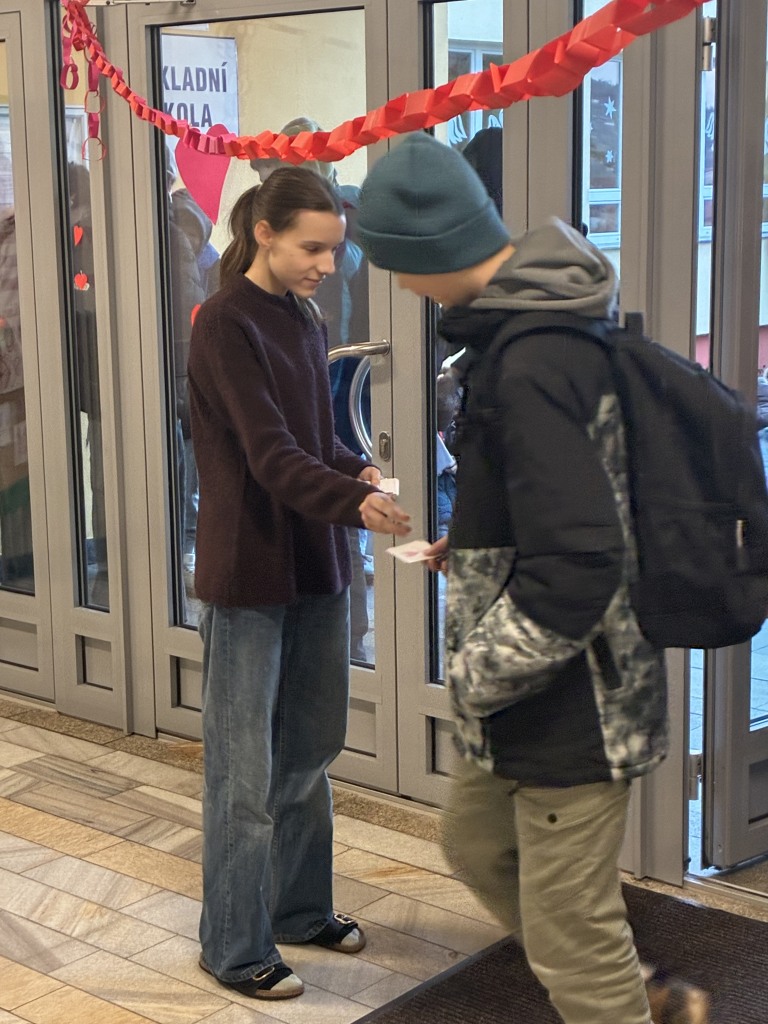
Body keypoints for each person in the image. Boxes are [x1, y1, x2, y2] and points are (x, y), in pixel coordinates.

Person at [356, 132, 709, 1024]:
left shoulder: (535, 359)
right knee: (478, 845)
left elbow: (581, 562)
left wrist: (475, 673)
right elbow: (566, 505)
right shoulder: (520, 339)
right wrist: (478, 545)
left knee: (567, 935)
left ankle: (626, 1000)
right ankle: (648, 998)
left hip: (570, 701)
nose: (399, 285)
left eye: (396, 264)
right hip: (534, 694)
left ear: (430, 248)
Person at [187, 165, 411, 1000]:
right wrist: (355, 502)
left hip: (316, 563)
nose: (328, 264)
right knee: (242, 776)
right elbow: (270, 456)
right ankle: (232, 945)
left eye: (335, 250)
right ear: (265, 234)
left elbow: (311, 439)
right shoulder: (224, 324)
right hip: (247, 573)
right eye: (313, 248)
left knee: (310, 752)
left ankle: (300, 909)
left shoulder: (303, 317)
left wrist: (358, 469)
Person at [252, 117, 373, 660]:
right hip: (315, 368)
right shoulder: (237, 314)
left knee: (334, 495)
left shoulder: (344, 222)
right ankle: (339, 630)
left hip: (340, 366)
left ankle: (349, 631)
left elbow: (346, 290)